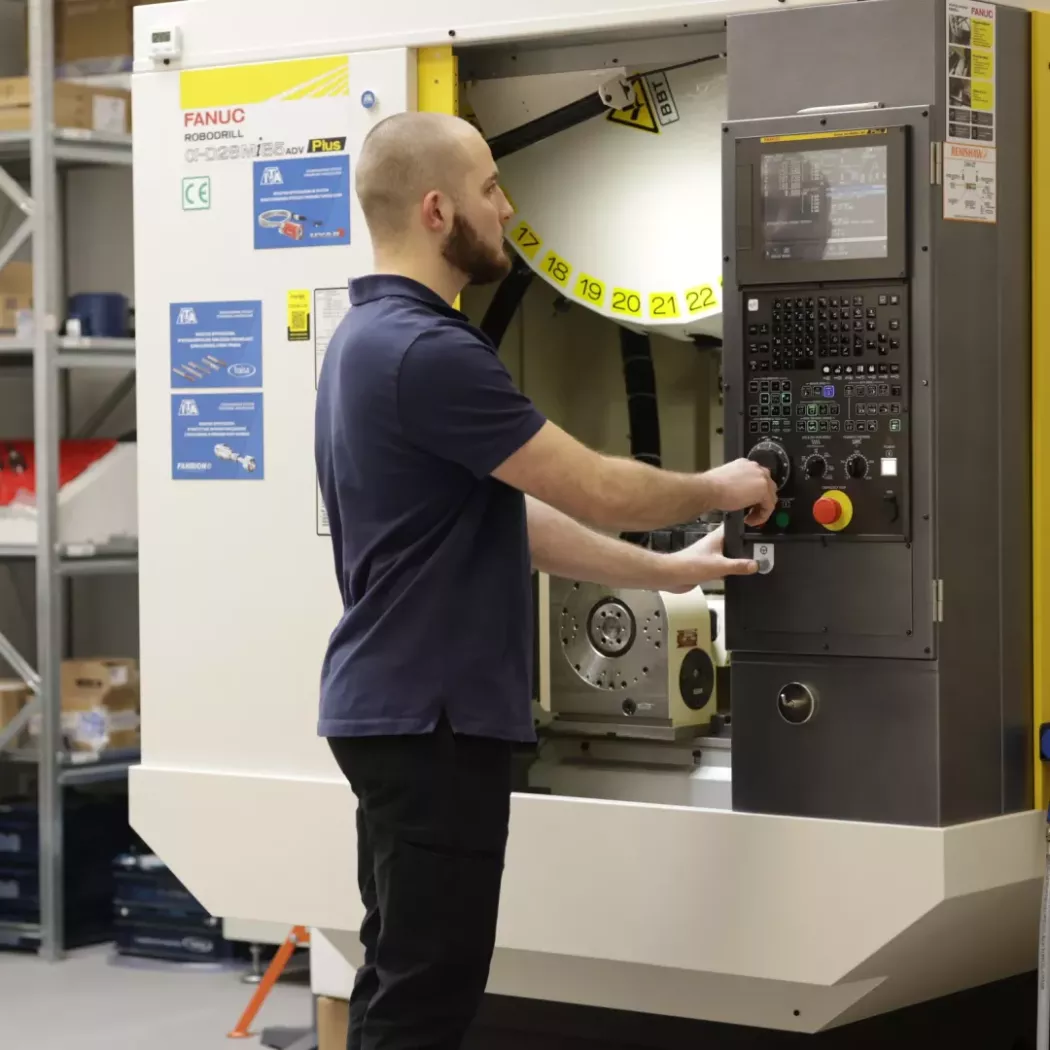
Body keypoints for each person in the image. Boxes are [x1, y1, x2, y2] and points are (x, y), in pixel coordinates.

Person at [314, 111, 776, 1050]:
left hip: (397, 713)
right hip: (434, 721)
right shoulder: (429, 351)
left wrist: (668, 570)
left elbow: (514, 519)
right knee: (426, 996)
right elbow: (594, 485)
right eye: (491, 188)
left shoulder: (367, 339)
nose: (508, 208)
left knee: (403, 974)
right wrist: (722, 484)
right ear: (438, 211)